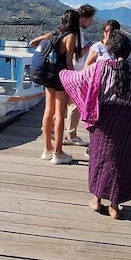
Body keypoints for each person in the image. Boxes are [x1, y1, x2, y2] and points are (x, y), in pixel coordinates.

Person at [60, 31, 131, 219]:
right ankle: (115, 205)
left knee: (100, 158)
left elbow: (78, 80)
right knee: (122, 161)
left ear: (109, 49)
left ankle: (97, 200)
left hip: (103, 119)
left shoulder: (99, 67)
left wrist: (63, 72)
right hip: (127, 121)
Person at [29, 9, 83, 165]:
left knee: (48, 111)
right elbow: (68, 63)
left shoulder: (54, 34)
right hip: (60, 77)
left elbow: (33, 43)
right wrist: (73, 81)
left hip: (48, 76)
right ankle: (58, 153)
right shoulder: (71, 36)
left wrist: (46, 39)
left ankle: (47, 149)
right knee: (59, 114)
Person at [65, 4, 97, 145]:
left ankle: (57, 131)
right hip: (75, 71)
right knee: (75, 105)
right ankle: (71, 134)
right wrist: (89, 46)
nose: (90, 23)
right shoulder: (77, 33)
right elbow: (78, 54)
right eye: (90, 19)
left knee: (64, 105)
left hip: (66, 72)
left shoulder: (67, 31)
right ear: (83, 18)